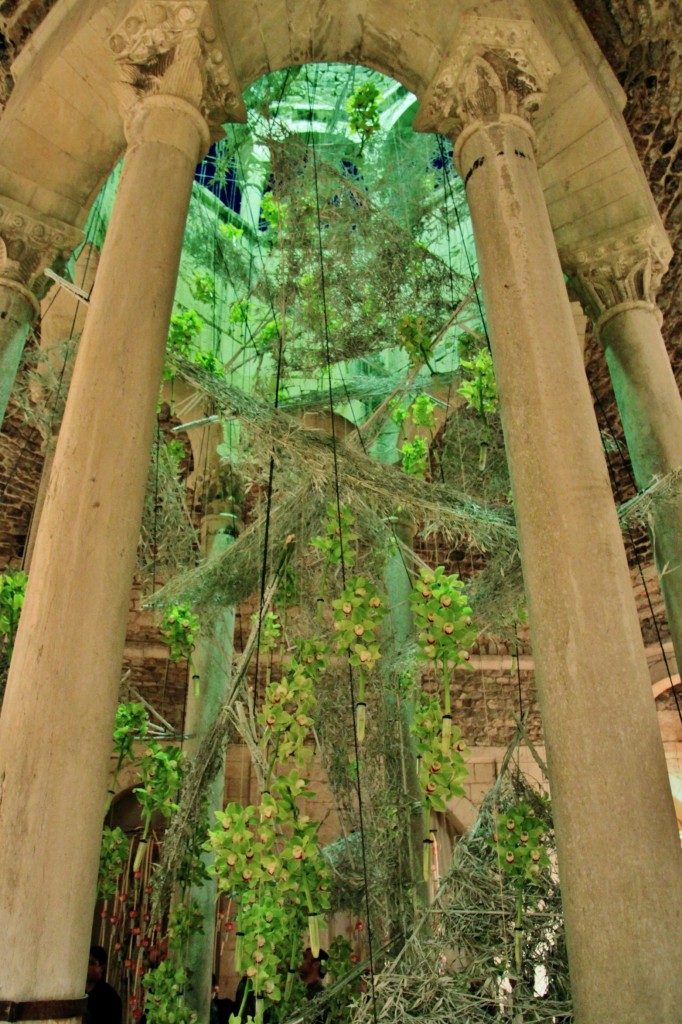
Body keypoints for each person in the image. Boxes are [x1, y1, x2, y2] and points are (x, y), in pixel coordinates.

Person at [86, 946, 123, 1024]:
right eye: (85, 962)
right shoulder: (78, 992)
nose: (86, 967)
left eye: (91, 963)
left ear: (102, 968)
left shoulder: (111, 998)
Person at [299, 948, 329, 1022]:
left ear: (316, 965)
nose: (299, 960)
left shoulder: (321, 998)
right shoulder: (298, 989)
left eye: (304, 957)